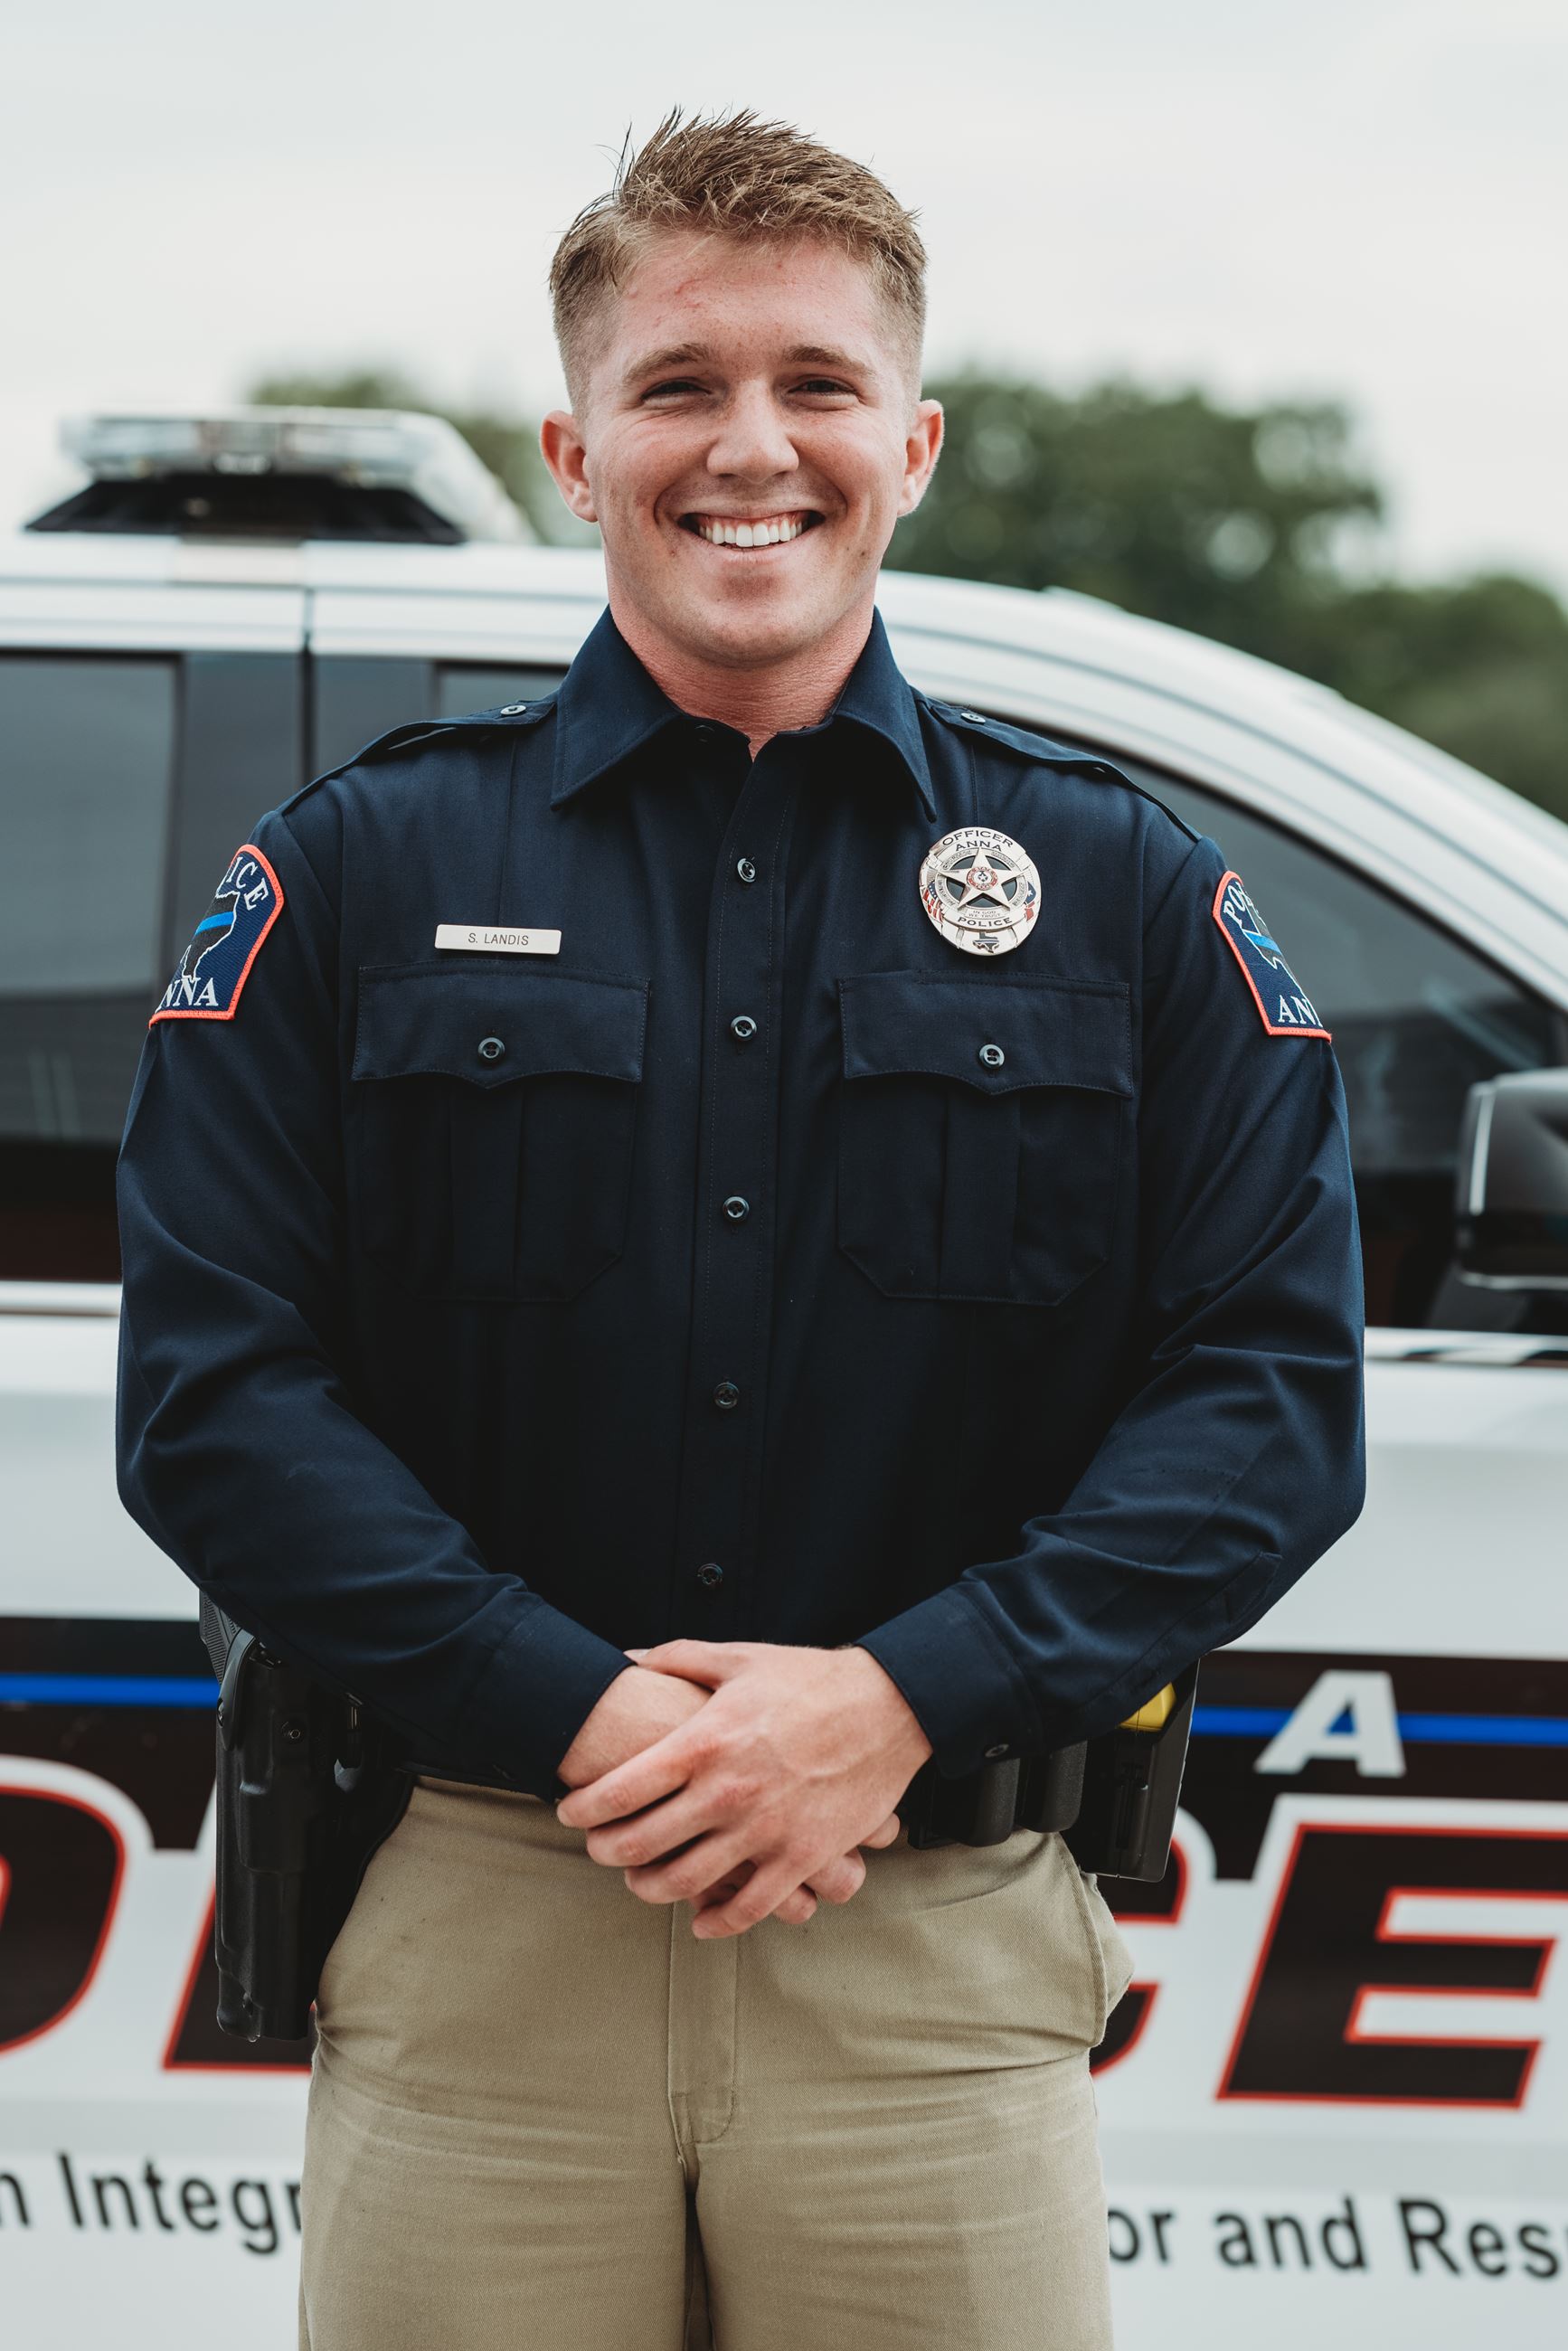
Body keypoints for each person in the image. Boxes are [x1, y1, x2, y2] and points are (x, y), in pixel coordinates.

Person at [115, 109, 1365, 2351]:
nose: (751, 448)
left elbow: (1270, 1402)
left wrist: (896, 1701)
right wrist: (586, 1710)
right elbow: (219, 1397)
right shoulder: (355, 877)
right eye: (678, 385)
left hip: (930, 1946)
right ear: (576, 451)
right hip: (485, 1925)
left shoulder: (1128, 896)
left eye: (816, 384)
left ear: (916, 442)